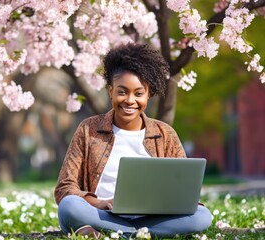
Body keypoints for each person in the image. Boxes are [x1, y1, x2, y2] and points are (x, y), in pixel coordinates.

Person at [54, 42, 212, 239]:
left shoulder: (165, 134)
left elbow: (184, 192)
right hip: (102, 213)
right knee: (69, 207)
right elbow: (64, 188)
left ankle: (123, 233)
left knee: (202, 216)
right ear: (110, 91)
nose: (130, 100)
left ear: (148, 94)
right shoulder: (88, 129)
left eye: (138, 93)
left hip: (153, 218)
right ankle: (138, 234)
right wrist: (98, 203)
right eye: (122, 92)